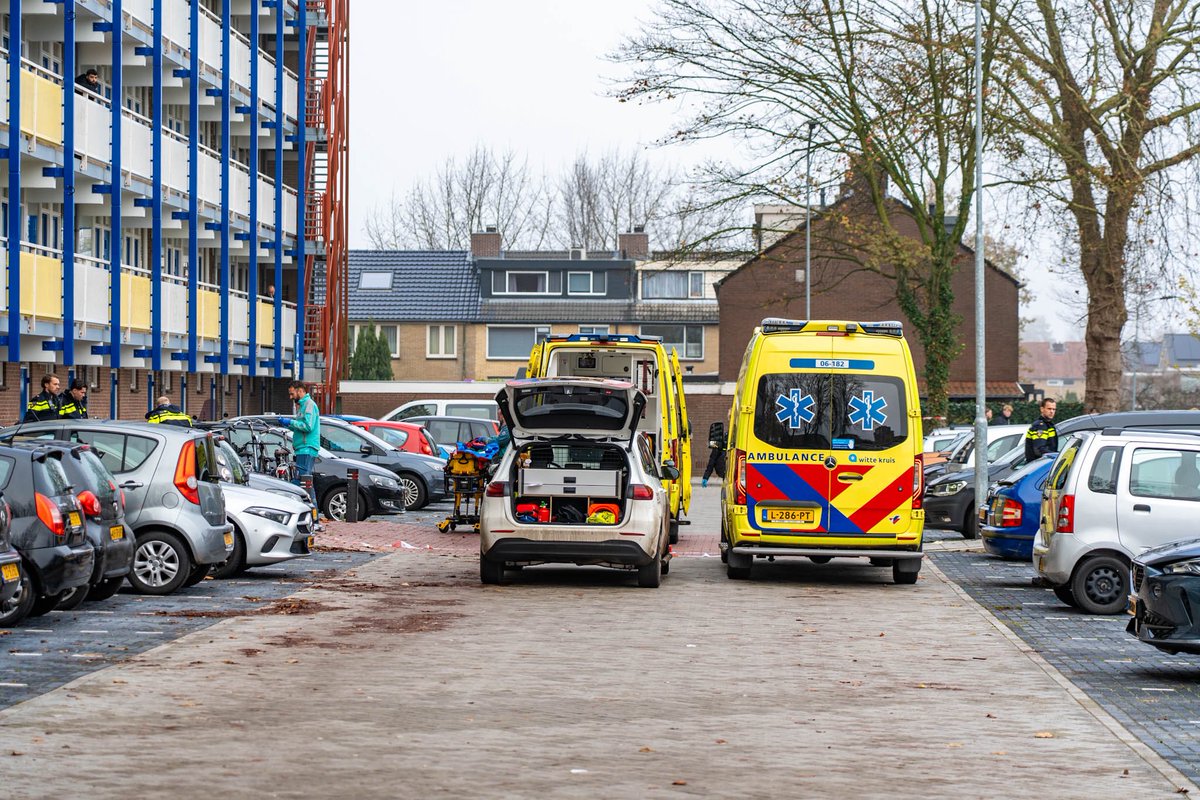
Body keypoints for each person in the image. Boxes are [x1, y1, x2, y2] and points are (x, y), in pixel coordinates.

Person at [278, 381, 320, 499]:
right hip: (303, 448)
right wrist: (288, 424)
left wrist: (290, 422)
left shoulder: (309, 405)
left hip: (306, 448)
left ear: (300, 390)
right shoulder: (303, 405)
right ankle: (312, 511)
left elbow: (308, 426)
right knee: (304, 481)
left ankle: (312, 511)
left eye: (292, 394)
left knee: (304, 482)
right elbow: (302, 425)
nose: (290, 397)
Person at [702, 421, 726, 487]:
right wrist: (706, 476)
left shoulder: (724, 438)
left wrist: (706, 477)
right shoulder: (725, 439)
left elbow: (712, 460)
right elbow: (712, 459)